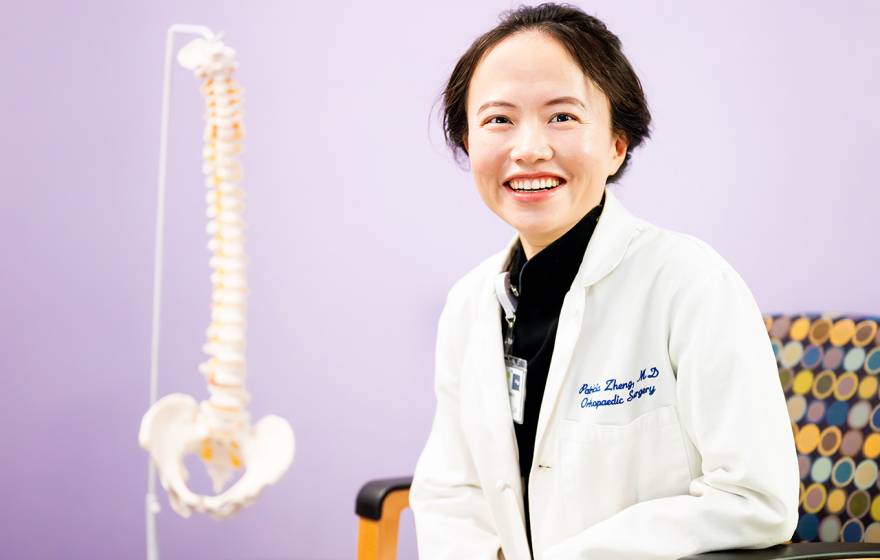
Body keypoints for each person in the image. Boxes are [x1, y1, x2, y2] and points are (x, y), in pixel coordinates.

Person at [409, 3, 800, 560]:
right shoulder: (470, 303)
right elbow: (452, 491)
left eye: (562, 117)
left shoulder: (690, 284)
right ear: (469, 144)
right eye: (498, 119)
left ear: (618, 143)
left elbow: (755, 499)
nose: (529, 148)